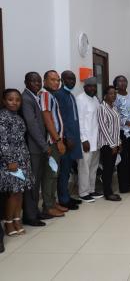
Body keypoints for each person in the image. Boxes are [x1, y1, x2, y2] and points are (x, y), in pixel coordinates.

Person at [0, 89, 34, 236]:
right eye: (10, 99)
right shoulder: (2, 117)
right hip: (11, 161)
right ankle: (8, 223)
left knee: (20, 192)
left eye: (17, 100)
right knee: (13, 193)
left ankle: (17, 219)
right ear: (4, 101)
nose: (14, 102)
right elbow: (2, 142)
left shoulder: (19, 118)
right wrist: (10, 160)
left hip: (23, 159)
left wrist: (25, 159)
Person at [21, 72, 52, 226]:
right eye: (33, 81)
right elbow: (32, 125)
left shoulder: (36, 96)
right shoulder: (26, 99)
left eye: (39, 81)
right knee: (32, 182)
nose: (37, 84)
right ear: (26, 82)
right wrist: (44, 146)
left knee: (37, 181)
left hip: (38, 147)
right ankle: (29, 216)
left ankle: (34, 211)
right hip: (34, 148)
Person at [39, 70, 67, 217]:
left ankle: (53, 202)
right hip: (52, 142)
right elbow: (47, 118)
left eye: (58, 80)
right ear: (45, 81)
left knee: (54, 173)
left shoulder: (51, 96)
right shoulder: (45, 95)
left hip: (56, 140)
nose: (56, 82)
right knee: (50, 174)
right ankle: (48, 206)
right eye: (52, 80)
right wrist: (57, 140)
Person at [54, 70, 82, 210]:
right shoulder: (59, 95)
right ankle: (63, 200)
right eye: (69, 79)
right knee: (64, 170)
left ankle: (66, 196)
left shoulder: (70, 95)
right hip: (66, 141)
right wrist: (66, 137)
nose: (72, 81)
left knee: (68, 170)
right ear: (63, 80)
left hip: (73, 139)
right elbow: (61, 119)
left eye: (74, 79)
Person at [76, 77, 103, 202]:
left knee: (93, 167)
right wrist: (83, 139)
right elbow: (80, 121)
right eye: (90, 86)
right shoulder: (80, 99)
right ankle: (83, 192)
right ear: (84, 87)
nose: (93, 89)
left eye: (94, 87)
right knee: (84, 167)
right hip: (86, 141)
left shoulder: (95, 100)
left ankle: (91, 190)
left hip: (96, 139)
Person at [114, 75, 130, 193]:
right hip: (121, 132)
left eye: (124, 81)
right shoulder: (114, 97)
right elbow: (114, 115)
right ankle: (124, 186)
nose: (123, 83)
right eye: (120, 81)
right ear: (116, 84)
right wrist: (127, 122)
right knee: (123, 160)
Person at [98, 86, 122, 202]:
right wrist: (112, 145)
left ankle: (110, 190)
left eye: (115, 93)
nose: (114, 95)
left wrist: (119, 142)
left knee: (111, 168)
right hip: (107, 145)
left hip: (114, 143)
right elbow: (103, 128)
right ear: (105, 95)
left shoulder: (114, 108)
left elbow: (116, 128)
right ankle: (108, 193)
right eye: (111, 93)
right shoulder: (102, 108)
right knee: (107, 169)